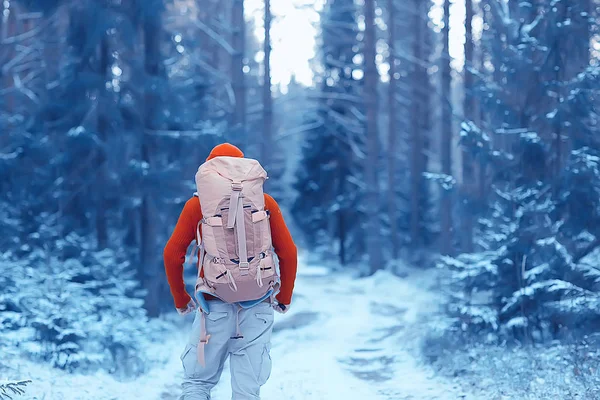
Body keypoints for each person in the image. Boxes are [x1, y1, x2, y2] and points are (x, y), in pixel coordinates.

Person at [164, 143, 298, 400]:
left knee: (196, 383)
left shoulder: (198, 205)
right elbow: (288, 253)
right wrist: (284, 298)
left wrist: (181, 299)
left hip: (214, 307)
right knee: (247, 392)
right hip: (258, 305)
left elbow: (172, 254)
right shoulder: (265, 202)